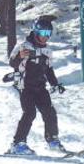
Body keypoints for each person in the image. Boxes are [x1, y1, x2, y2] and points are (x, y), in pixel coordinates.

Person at [6, 16, 66, 155]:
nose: (45, 37)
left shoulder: (47, 51)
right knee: (30, 113)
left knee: (50, 112)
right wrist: (20, 56)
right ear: (36, 32)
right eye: (43, 33)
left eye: (48, 34)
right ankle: (18, 144)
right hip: (25, 86)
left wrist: (55, 84)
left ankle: (52, 140)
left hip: (40, 87)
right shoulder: (24, 46)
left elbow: (49, 69)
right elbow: (12, 63)